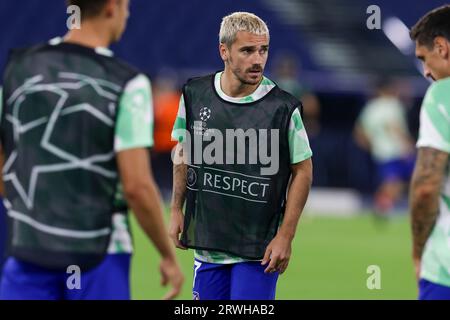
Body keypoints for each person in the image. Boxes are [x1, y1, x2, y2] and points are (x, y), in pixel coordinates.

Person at [0, 0, 183, 300]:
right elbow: (137, 187)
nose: (128, 13)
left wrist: (31, 210)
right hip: (99, 256)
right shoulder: (126, 83)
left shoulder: (19, 67)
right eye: (127, 6)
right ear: (112, 7)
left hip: (29, 250)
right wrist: (167, 255)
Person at [169, 12, 313, 300]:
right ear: (224, 51)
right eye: (247, 50)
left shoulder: (283, 108)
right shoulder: (195, 95)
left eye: (263, 50)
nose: (258, 59)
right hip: (209, 242)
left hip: (257, 247)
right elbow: (183, 153)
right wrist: (175, 208)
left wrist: (286, 235)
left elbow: (303, 171)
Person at [409, 5, 450, 300]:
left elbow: (426, 187)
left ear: (442, 47)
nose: (425, 71)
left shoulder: (441, 95)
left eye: (424, 58)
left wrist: (418, 251)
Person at [354, 78, 415, 215]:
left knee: (393, 181)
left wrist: (372, 146)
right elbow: (394, 126)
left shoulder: (371, 107)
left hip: (380, 152)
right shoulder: (393, 105)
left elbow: (359, 132)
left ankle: (383, 205)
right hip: (396, 150)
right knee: (396, 182)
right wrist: (407, 144)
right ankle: (382, 206)